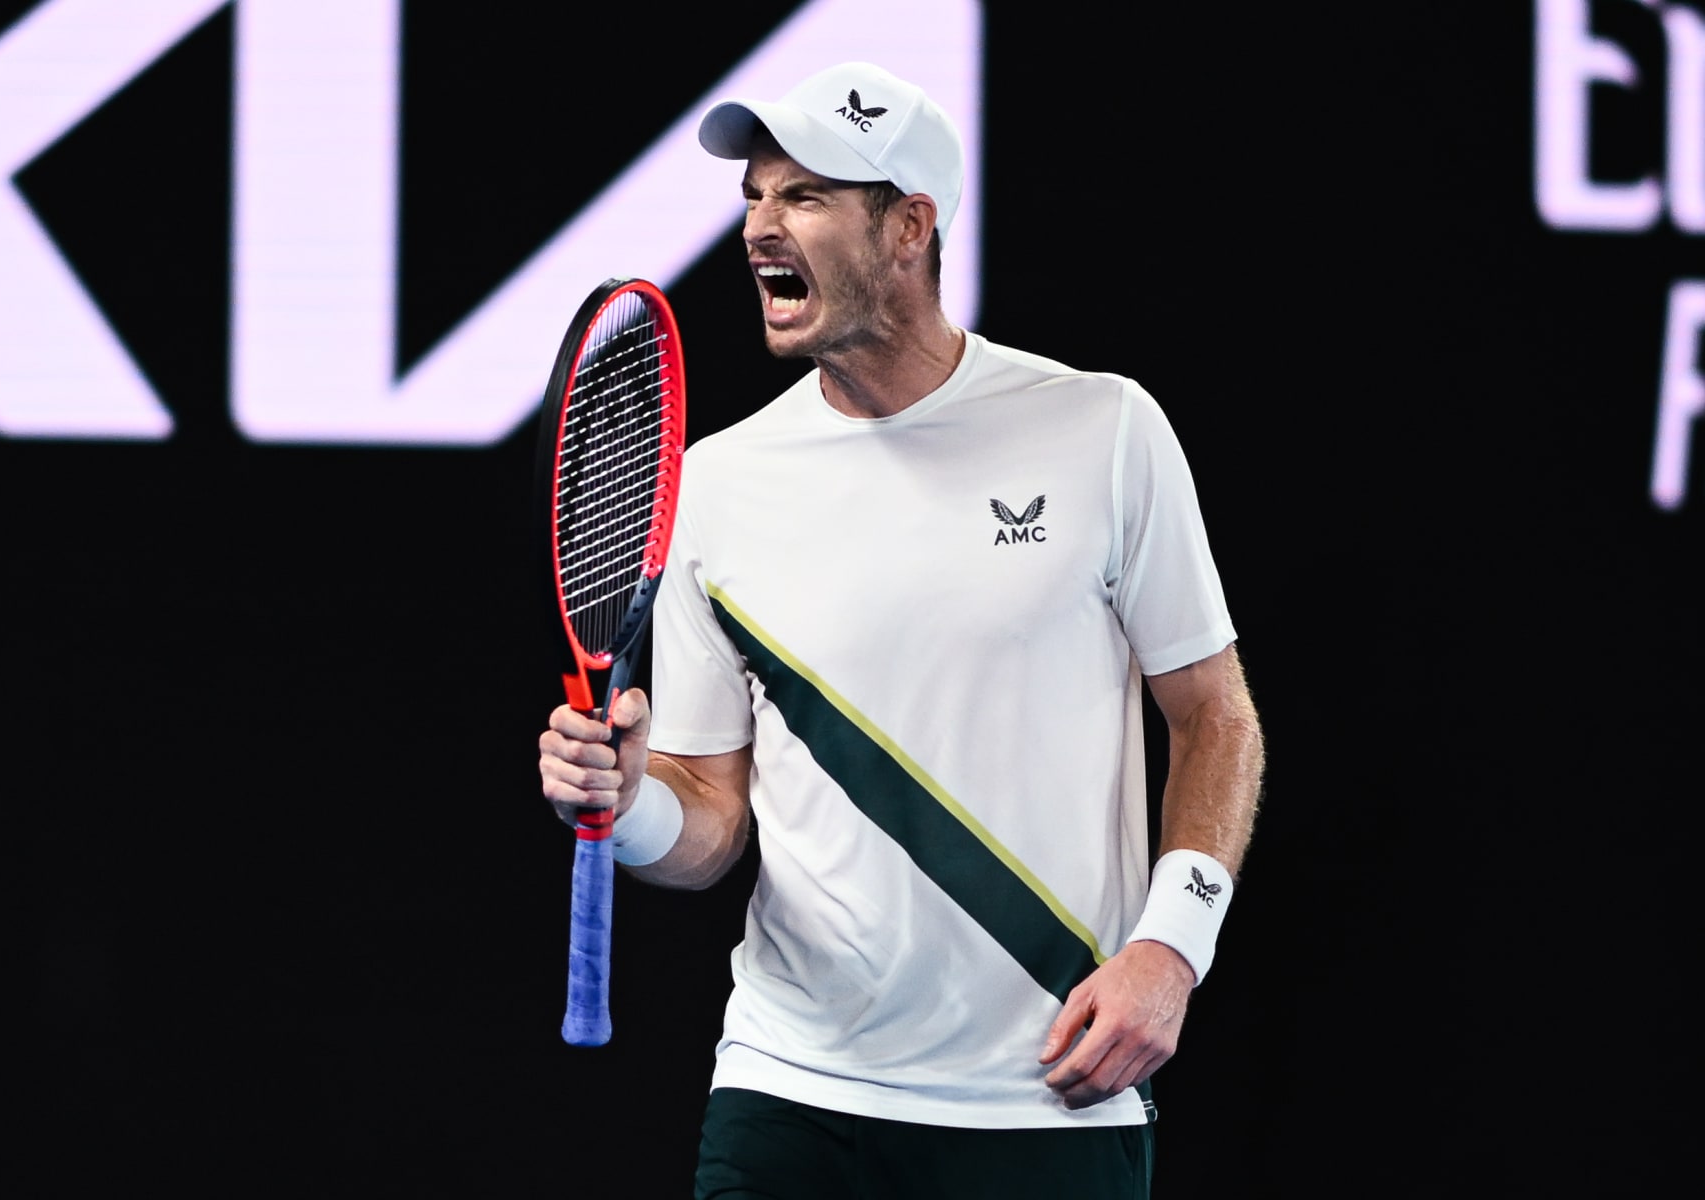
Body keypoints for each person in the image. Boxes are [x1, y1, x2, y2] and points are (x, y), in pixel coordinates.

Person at [538, 59, 1265, 1199]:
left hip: (1047, 1106)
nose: (759, 226)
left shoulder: (1104, 429)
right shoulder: (717, 484)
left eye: (805, 197)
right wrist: (627, 806)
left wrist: (1172, 948)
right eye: (754, 197)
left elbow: (1215, 716)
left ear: (907, 229)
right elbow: (713, 819)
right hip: (790, 1098)